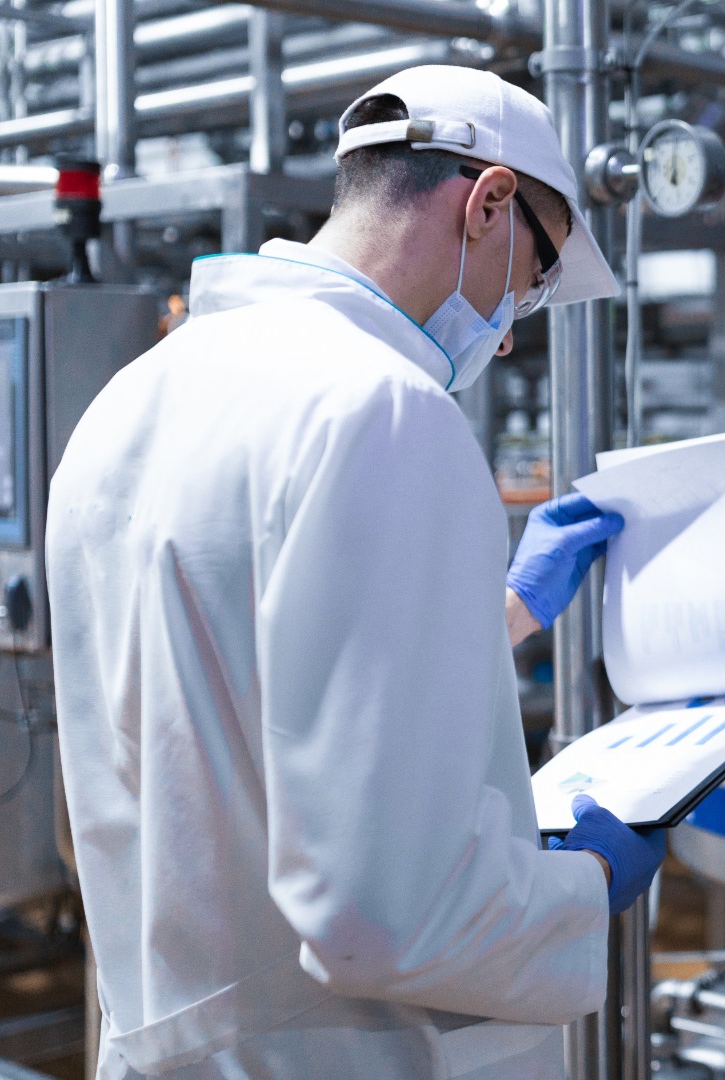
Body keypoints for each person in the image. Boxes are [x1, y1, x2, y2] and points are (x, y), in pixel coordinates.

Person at [46, 66, 666, 1080]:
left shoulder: (136, 396)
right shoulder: (380, 407)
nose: (512, 326)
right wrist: (589, 884)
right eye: (536, 275)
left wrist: (501, 610)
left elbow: (232, 671)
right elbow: (383, 919)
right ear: (490, 203)